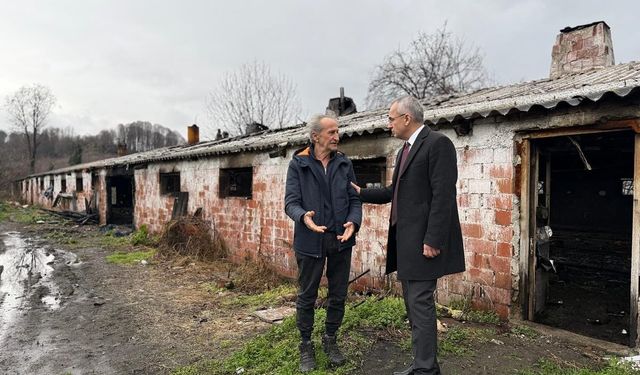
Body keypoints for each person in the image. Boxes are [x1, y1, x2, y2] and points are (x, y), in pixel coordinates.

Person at [351, 96, 465, 375]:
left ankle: (426, 370)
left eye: (391, 118)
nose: (388, 124)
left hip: (424, 242)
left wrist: (433, 240)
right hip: (407, 243)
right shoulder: (405, 151)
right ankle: (423, 365)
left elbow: (443, 195)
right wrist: (361, 193)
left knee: (420, 304)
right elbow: (394, 193)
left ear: (406, 118)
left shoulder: (438, 143)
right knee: (414, 305)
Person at [284, 114, 362, 372]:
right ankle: (306, 345)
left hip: (340, 240)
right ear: (315, 136)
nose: (336, 136)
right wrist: (303, 217)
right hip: (310, 239)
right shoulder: (299, 164)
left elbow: (354, 199)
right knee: (307, 295)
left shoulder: (344, 164)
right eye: (331, 132)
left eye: (337, 131)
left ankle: (331, 339)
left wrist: (353, 221)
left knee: (338, 294)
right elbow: (290, 203)